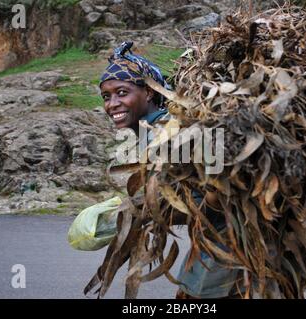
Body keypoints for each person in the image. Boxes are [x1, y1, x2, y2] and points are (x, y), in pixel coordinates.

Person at [98, 42, 243, 299]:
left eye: (122, 92)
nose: (112, 104)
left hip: (232, 247)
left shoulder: (171, 130)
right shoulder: (150, 132)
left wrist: (143, 211)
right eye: (106, 96)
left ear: (150, 93)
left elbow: (218, 194)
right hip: (212, 245)